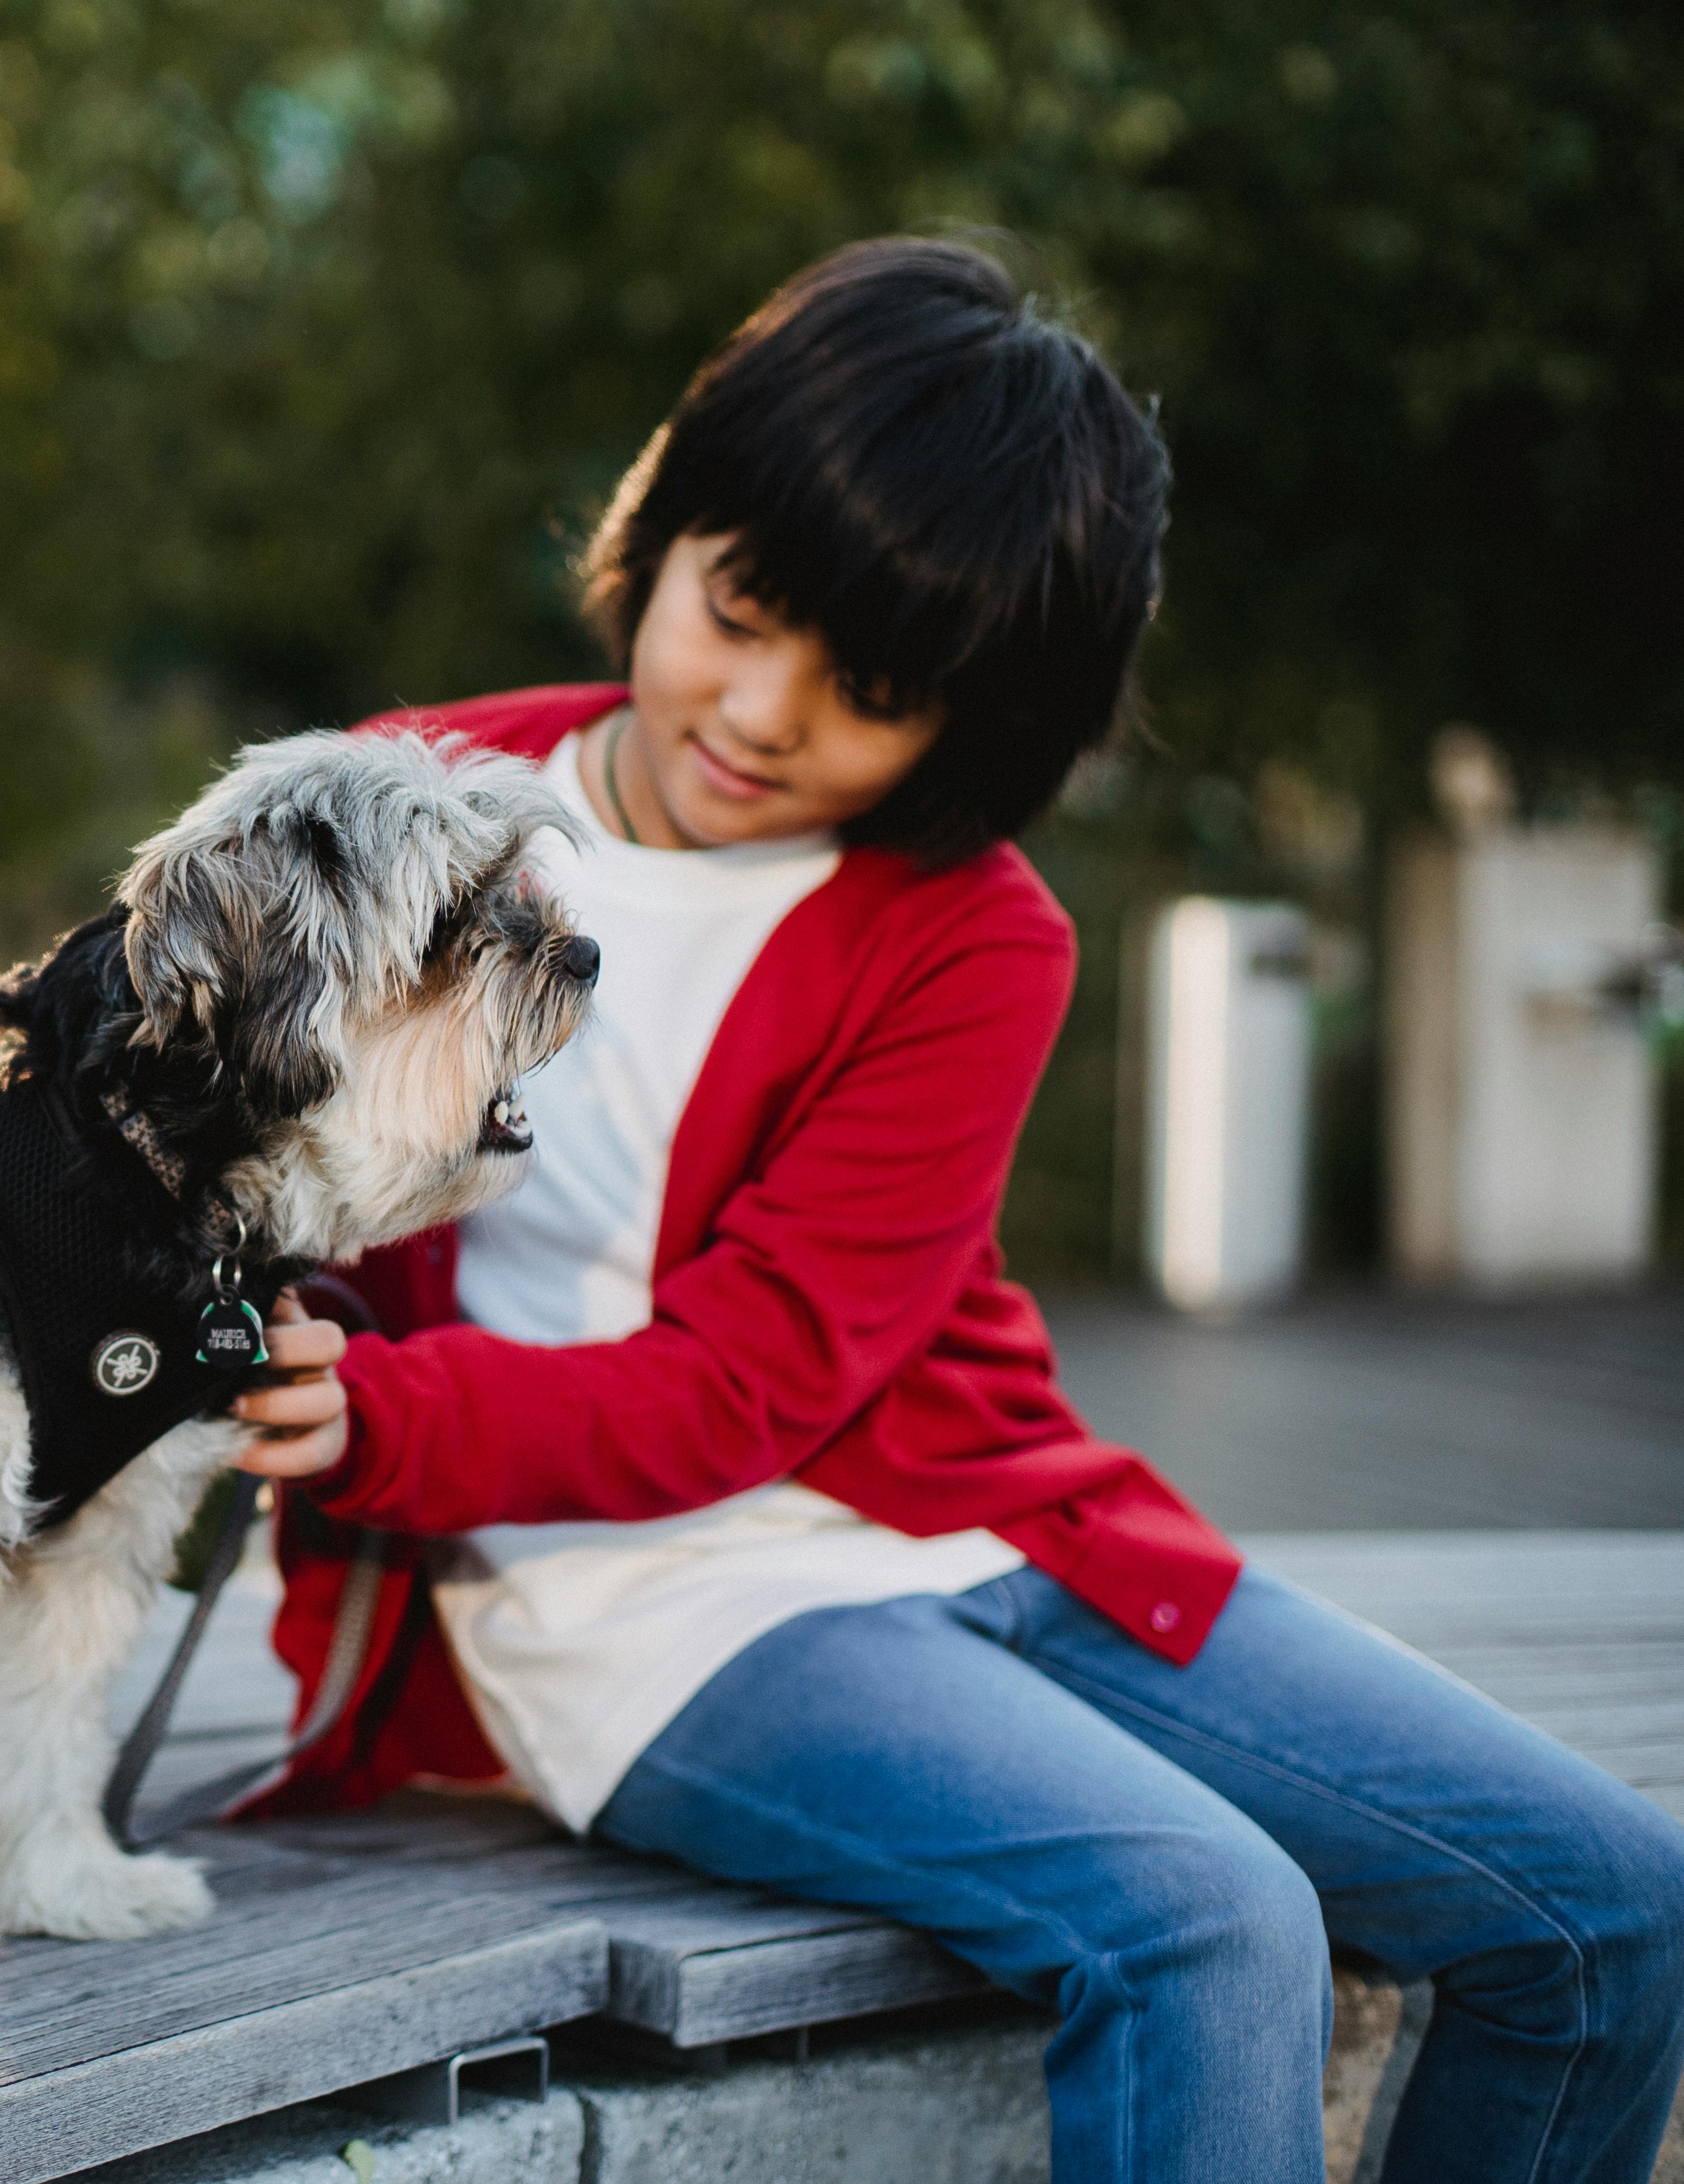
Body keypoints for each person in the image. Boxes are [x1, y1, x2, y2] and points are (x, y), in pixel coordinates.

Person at [216, 236, 1684, 2184]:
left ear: (978, 721)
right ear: (666, 526)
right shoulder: (420, 799)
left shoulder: (976, 936)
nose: (757, 711)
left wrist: (392, 1417)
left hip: (980, 1529)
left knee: (1606, 1915)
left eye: (873, 688)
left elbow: (759, 1380)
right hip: (625, 1600)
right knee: (1208, 1927)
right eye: (735, 609)